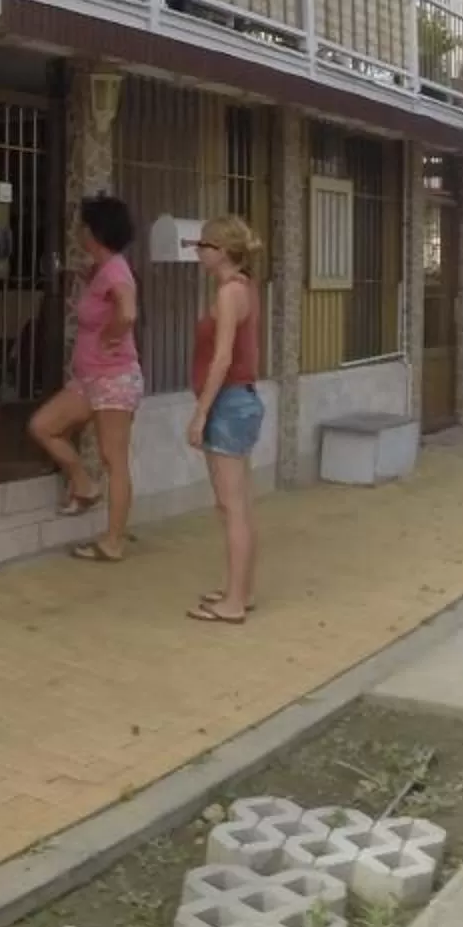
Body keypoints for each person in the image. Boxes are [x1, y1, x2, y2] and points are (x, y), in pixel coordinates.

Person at [34, 194, 140, 563]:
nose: (78, 231)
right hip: (89, 378)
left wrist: (113, 333)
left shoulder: (115, 271)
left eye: (82, 225)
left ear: (93, 231)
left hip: (114, 379)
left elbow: (127, 311)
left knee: (114, 459)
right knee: (43, 426)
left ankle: (113, 541)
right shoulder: (104, 268)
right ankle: (83, 483)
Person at [188, 214, 266, 623]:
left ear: (220, 252)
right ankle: (241, 589)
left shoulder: (228, 294)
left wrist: (200, 414)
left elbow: (222, 358)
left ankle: (234, 602)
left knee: (231, 507)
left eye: (203, 246)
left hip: (228, 404)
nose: (198, 252)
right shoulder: (241, 289)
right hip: (238, 402)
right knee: (237, 505)